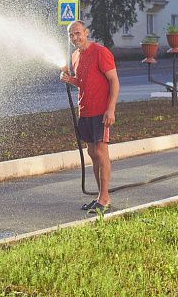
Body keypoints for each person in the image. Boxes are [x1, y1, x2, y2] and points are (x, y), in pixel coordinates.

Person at [60, 21, 120, 213]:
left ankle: (105, 198)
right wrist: (70, 79)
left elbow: (114, 81)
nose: (75, 38)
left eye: (78, 33)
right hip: (84, 111)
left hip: (100, 111)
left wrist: (111, 110)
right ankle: (100, 196)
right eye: (71, 35)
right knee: (92, 154)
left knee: (101, 153)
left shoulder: (100, 52)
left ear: (86, 32)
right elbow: (84, 83)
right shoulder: (76, 56)